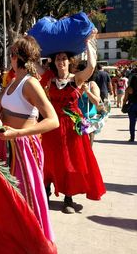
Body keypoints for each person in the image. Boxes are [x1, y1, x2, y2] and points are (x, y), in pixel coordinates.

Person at [0, 35, 59, 242]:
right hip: (5, 145)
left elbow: (52, 120)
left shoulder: (31, 84)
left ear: (16, 57)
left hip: (24, 148)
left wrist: (17, 134)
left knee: (27, 197)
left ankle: (32, 242)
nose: (10, 58)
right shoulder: (12, 82)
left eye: (11, 54)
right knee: (7, 197)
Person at [41, 32, 106, 214]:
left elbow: (92, 66)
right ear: (53, 62)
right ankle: (46, 190)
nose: (61, 61)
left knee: (69, 161)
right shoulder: (50, 79)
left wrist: (88, 43)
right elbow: (35, 65)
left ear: (69, 61)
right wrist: (31, 44)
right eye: (57, 59)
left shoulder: (76, 79)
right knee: (50, 159)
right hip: (52, 125)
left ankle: (68, 196)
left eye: (64, 58)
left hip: (71, 127)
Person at [77, 62, 101, 146]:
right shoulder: (75, 84)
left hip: (88, 120)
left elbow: (96, 102)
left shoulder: (92, 84)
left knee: (88, 148)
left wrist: (87, 91)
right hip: (76, 119)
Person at [122, 75, 137, 142]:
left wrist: (123, 105)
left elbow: (125, 99)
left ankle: (132, 137)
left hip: (132, 106)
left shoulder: (129, 89)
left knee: (132, 123)